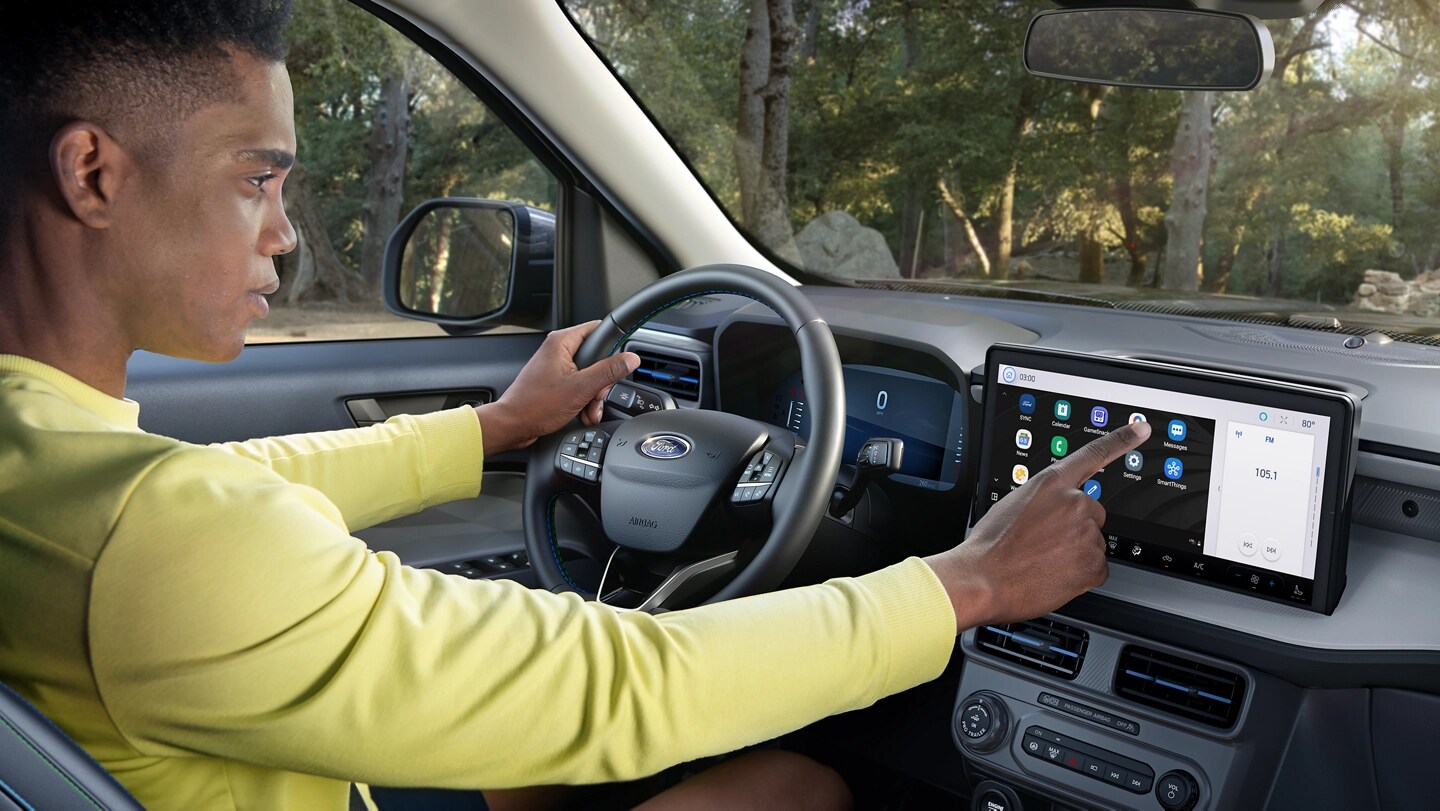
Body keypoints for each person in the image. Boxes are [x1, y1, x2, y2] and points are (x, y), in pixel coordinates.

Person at [0, 2, 1150, 810]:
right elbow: (627, 684)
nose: (285, 232)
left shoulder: (57, 463)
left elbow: (239, 491)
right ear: (93, 173)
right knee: (798, 785)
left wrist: (495, 430)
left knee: (534, 767)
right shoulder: (161, 542)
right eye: (257, 177)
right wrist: (972, 583)